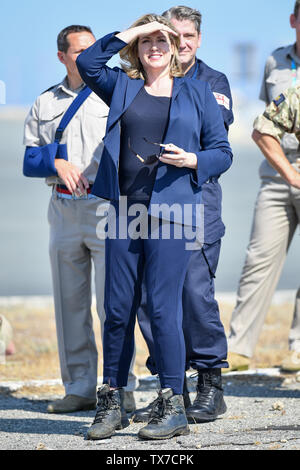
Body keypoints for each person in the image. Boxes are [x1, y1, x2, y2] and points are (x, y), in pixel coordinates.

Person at [76, 13, 232, 441]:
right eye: (148, 41)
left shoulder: (198, 92)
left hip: (174, 214)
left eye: (163, 40)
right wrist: (135, 28)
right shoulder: (122, 86)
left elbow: (223, 151)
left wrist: (193, 160)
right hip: (125, 212)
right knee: (117, 309)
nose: (156, 47)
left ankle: (171, 402)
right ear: (137, 48)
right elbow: (89, 63)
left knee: (164, 308)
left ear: (176, 48)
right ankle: (111, 401)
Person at [23, 25, 138, 415]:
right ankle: (79, 388)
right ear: (62, 57)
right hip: (63, 209)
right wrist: (54, 161)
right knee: (69, 304)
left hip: (107, 209)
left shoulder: (116, 88)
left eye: (94, 50)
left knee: (115, 305)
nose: (90, 57)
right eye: (79, 52)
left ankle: (121, 388)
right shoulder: (44, 102)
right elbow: (29, 158)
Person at [134, 5, 234, 424]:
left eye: (188, 35)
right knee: (147, 299)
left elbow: (214, 138)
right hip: (146, 204)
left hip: (195, 199)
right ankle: (170, 390)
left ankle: (211, 382)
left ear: (197, 38)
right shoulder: (140, 80)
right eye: (172, 34)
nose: (182, 42)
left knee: (194, 293)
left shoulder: (210, 83)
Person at [227, 0, 300, 373]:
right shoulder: (275, 61)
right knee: (258, 257)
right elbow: (266, 118)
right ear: (293, 20)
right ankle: (238, 348)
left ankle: (298, 349)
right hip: (276, 171)